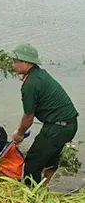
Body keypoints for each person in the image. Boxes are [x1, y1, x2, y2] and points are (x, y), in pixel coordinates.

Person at [9, 44, 78, 185]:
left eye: (16, 61)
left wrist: (19, 133)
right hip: (70, 124)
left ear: (26, 62)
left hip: (57, 128)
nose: (13, 64)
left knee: (33, 161)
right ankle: (45, 185)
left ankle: (30, 194)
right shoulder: (40, 74)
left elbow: (28, 117)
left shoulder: (30, 84)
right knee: (51, 156)